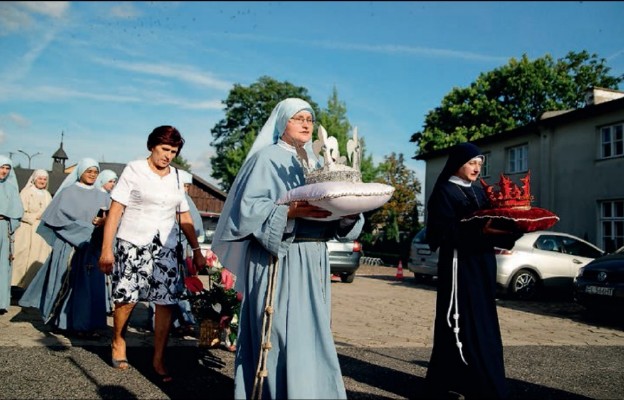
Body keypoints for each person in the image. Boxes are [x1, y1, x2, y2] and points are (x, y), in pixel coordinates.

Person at [211, 98, 364, 399]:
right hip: (277, 258)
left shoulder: (322, 165)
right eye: (298, 118)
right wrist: (289, 211)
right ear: (282, 123)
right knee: (278, 331)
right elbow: (248, 211)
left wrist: (347, 212)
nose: (307, 123)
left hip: (313, 259)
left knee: (311, 334)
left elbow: (332, 216)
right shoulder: (265, 159)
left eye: (309, 118)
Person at [98, 125, 206, 383]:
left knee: (166, 302)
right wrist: (106, 249)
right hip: (133, 241)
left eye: (174, 151)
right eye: (165, 149)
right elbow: (115, 211)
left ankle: (158, 358)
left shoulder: (178, 177)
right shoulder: (134, 170)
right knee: (126, 297)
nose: (168, 156)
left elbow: (184, 214)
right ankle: (118, 340)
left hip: (166, 247)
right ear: (152, 146)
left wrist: (197, 249)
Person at [424, 142, 520, 399]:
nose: (477, 168)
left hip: (483, 265)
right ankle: (477, 387)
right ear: (458, 164)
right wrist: (481, 232)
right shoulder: (444, 191)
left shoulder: (480, 193)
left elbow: (494, 227)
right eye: (472, 163)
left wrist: (512, 229)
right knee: (460, 322)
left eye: (480, 163)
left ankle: (464, 382)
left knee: (483, 321)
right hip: (460, 267)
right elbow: (441, 232)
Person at [19, 158, 110, 338]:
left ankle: (86, 324)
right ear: (80, 172)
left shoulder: (104, 196)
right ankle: (61, 322)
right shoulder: (67, 193)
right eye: (88, 171)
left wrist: (103, 222)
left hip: (92, 249)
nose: (92, 174)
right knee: (66, 284)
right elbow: (58, 220)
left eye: (95, 171)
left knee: (89, 287)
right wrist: (86, 229)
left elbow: (113, 219)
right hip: (69, 247)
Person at [12, 169, 53, 290]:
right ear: (34, 179)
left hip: (41, 233)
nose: (42, 181)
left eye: (44, 179)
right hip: (27, 230)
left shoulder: (47, 195)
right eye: (40, 179)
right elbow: (20, 212)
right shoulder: (26, 192)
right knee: (23, 258)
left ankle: (32, 286)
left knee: (38, 258)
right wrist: (35, 216)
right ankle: (17, 286)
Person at [0, 156, 24, 315]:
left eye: (7, 168)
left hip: (3, 227)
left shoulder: (10, 188)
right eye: (2, 167)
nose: (4, 171)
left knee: (2, 266)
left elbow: (16, 213)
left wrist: (10, 225)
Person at [94, 169, 118, 315]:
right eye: (110, 181)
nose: (113, 184)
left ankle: (109, 302)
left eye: (114, 181)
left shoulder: (111, 197)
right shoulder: (95, 194)